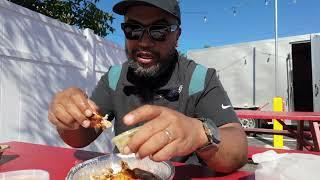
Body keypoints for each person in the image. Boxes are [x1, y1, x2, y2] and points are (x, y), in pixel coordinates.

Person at [48, 0, 247, 173]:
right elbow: (81, 137)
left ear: (177, 36)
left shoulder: (198, 79)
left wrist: (200, 133)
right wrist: (68, 120)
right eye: (133, 29)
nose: (144, 41)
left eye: (158, 30)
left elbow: (237, 149)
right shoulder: (115, 77)